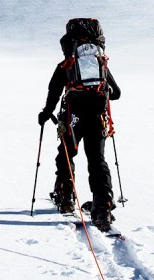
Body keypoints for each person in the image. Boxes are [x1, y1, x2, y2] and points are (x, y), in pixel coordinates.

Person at [37, 18, 121, 231]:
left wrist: (46, 113)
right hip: (98, 118)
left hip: (72, 118)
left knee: (66, 154)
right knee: (97, 160)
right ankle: (103, 207)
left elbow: (54, 90)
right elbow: (117, 93)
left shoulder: (67, 64)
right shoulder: (101, 63)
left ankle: (66, 198)